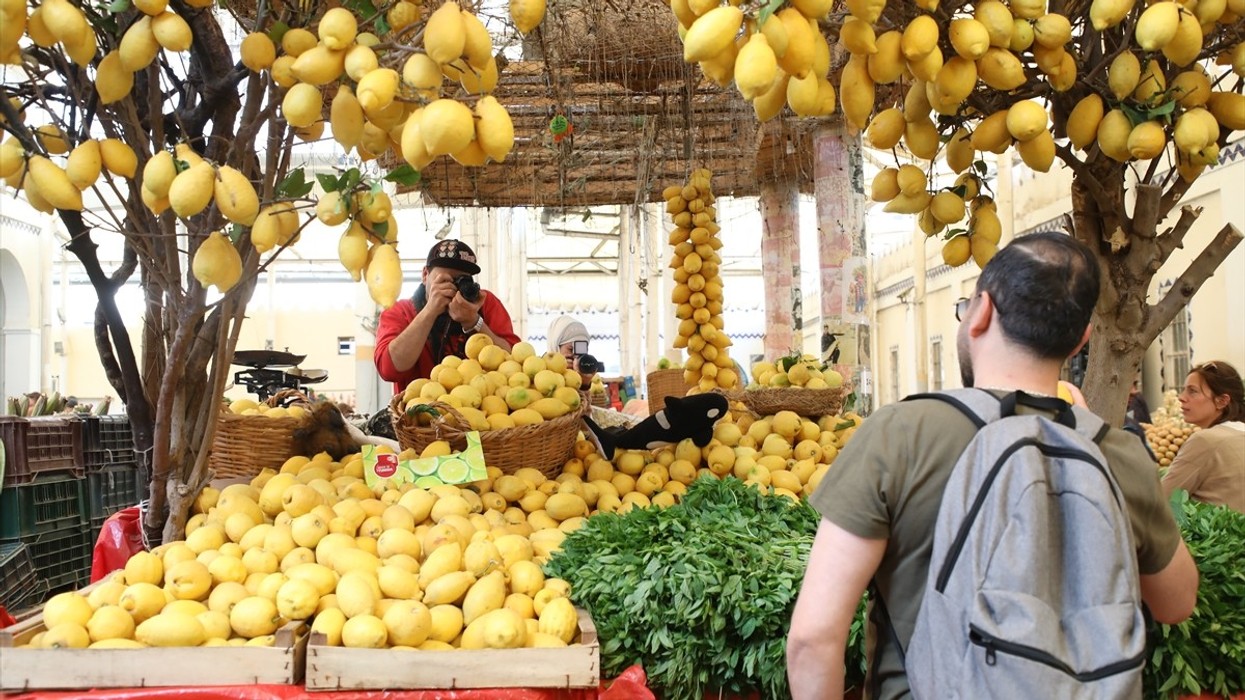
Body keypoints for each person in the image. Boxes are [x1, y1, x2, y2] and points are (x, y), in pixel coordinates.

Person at [786, 232, 1199, 698]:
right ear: (1082, 338)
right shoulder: (1115, 452)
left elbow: (813, 639)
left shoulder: (902, 433)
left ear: (980, 312)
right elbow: (1176, 602)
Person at [374, 240, 520, 395]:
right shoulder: (399, 311)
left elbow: (514, 361)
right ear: (425, 275)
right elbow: (388, 369)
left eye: (462, 280)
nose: (455, 288)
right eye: (446, 280)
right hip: (420, 412)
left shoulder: (484, 303)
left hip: (480, 412)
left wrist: (474, 322)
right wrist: (430, 311)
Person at [1161, 361, 1245, 512]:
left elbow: (1161, 499)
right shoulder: (1239, 432)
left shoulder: (1206, 440)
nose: (1182, 397)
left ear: (1222, 401)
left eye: (1192, 391)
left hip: (1220, 534)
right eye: (1183, 390)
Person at [547, 315, 599, 386]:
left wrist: (584, 382)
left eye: (581, 351)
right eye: (571, 349)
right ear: (556, 346)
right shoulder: (542, 372)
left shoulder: (585, 375)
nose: (575, 356)